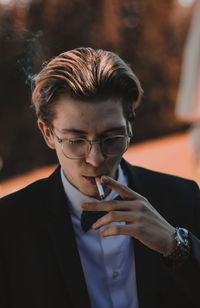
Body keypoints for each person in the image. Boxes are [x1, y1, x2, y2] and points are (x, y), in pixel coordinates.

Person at [0, 47, 199, 308]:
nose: (95, 159)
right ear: (47, 133)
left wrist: (177, 247)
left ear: (130, 125)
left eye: (112, 137)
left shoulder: (184, 197)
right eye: (75, 140)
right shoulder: (9, 225)